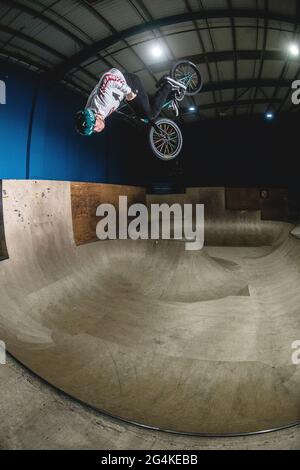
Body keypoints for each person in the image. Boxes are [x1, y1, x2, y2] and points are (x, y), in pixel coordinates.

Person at [75, 68, 186, 136]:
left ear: (95, 117)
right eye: (93, 131)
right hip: (123, 91)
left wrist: (128, 92)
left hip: (129, 82)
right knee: (143, 112)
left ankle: (168, 84)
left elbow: (107, 78)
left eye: (94, 126)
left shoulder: (101, 102)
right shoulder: (89, 113)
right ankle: (171, 95)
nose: (97, 130)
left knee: (149, 115)